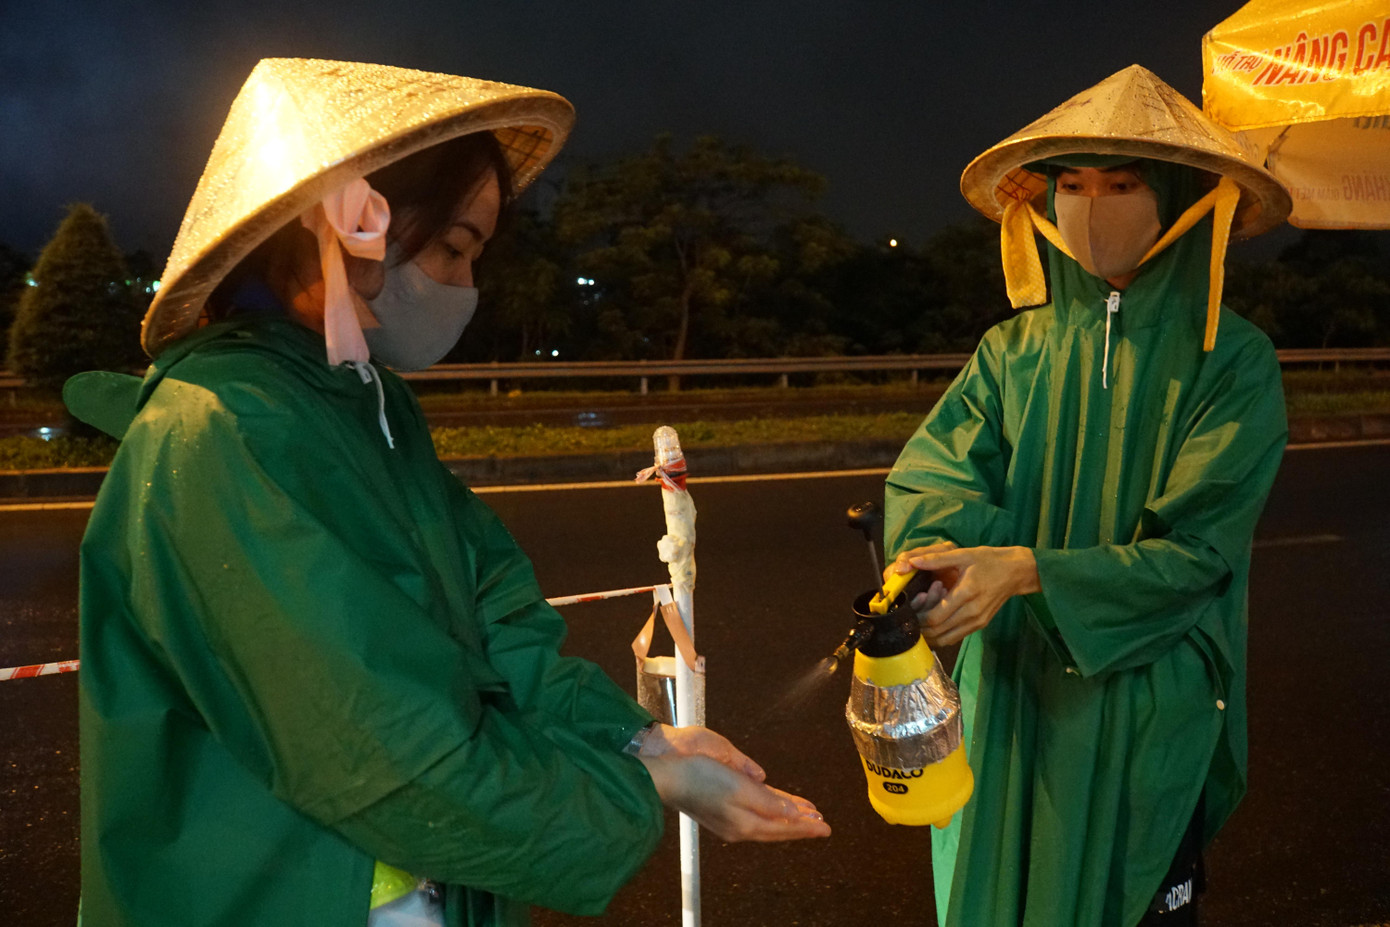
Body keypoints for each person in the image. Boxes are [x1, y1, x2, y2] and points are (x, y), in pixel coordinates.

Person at [69, 58, 828, 927]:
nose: (465, 284)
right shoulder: (220, 432)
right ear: (351, 224)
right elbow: (374, 743)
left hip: (423, 891)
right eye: (454, 247)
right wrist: (640, 783)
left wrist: (641, 736)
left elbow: (494, 617)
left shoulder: (366, 406)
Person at [880, 66, 1292, 926]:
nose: (1089, 206)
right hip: (1018, 688)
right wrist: (944, 562)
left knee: (1134, 896)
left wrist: (1026, 568)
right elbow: (932, 480)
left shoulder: (1233, 362)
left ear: (1182, 200)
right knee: (1003, 887)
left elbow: (1194, 555)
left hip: (1147, 694)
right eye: (1070, 184)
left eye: (1123, 183)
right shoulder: (1011, 349)